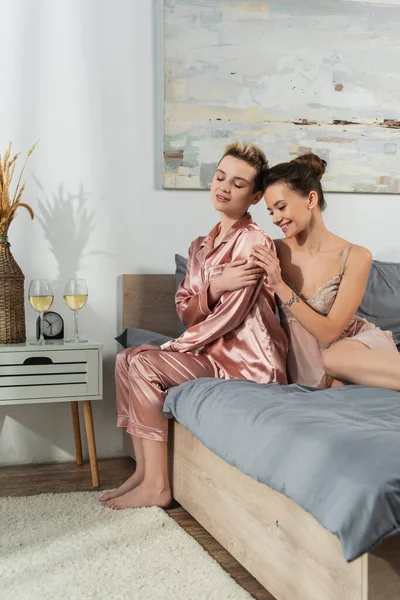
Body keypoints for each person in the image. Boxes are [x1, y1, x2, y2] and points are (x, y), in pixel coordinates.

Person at [100, 142, 288, 510]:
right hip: (211, 354)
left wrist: (173, 346)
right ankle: (143, 472)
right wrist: (216, 285)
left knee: (143, 361)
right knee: (126, 359)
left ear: (255, 196)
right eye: (220, 177)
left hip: (246, 364)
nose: (223, 187)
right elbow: (186, 310)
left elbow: (230, 316)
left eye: (237, 184)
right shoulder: (200, 246)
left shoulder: (253, 241)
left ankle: (157, 487)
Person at [249, 153, 399, 390]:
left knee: (334, 360)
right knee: (337, 392)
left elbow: (329, 335)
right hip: (310, 371)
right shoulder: (272, 250)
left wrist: (280, 285)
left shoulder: (356, 256)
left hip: (355, 351)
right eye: (271, 212)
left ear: (310, 199)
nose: (275, 218)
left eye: (281, 207)